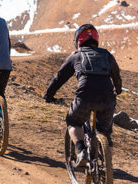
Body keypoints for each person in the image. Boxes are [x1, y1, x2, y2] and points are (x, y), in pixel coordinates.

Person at [44, 24, 122, 167]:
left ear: (78, 40)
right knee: (105, 133)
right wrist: (118, 90)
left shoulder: (76, 55)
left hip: (85, 96)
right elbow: (116, 75)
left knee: (73, 121)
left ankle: (81, 152)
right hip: (108, 98)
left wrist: (49, 95)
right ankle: (107, 167)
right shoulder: (107, 55)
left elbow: (59, 78)